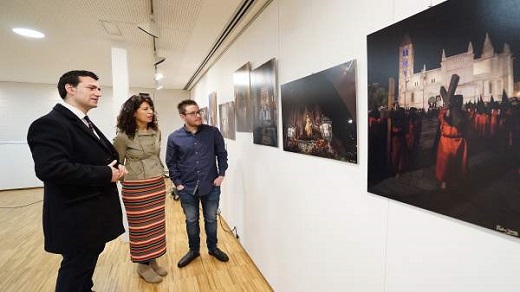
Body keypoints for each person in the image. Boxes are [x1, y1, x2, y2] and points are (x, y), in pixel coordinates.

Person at [27, 70, 126, 292]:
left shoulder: (82, 121)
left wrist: (116, 167)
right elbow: (50, 168)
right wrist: (106, 174)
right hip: (76, 216)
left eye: (99, 88)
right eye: (91, 88)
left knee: (83, 268)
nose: (98, 93)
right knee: (74, 270)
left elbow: (96, 156)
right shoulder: (50, 124)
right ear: (70, 89)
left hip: (91, 214)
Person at [166, 99, 229, 268]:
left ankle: (213, 248)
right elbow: (171, 163)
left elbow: (222, 154)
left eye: (198, 112)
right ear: (182, 116)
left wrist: (221, 174)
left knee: (211, 219)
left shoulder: (212, 132)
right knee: (191, 221)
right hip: (186, 188)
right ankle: (194, 250)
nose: (198, 115)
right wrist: (178, 184)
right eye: (192, 113)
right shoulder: (174, 138)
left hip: (211, 186)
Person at [113, 94, 168, 283]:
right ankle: (142, 265)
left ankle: (153, 260)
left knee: (156, 226)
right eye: (145, 108)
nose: (150, 112)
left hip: (156, 184)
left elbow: (157, 156)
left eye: (151, 108)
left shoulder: (156, 132)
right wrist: (125, 180)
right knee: (141, 228)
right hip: (136, 187)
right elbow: (117, 164)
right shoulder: (123, 137)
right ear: (133, 112)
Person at [435, 94, 469, 189]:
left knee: (458, 161)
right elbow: (443, 119)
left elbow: (465, 123)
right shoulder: (445, 112)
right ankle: (444, 180)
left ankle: (457, 178)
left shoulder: (463, 114)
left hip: (459, 141)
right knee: (446, 161)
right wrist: (447, 112)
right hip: (446, 141)